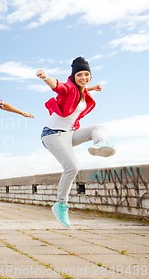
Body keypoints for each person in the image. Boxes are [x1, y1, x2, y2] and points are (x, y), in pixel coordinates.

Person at [37, 56, 115, 228]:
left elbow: (85, 90)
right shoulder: (69, 89)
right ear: (73, 77)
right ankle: (60, 204)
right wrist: (45, 77)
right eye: (79, 75)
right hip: (51, 135)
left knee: (98, 127)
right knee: (72, 168)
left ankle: (100, 144)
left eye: (87, 74)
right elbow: (59, 87)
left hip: (68, 134)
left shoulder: (83, 91)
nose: (83, 78)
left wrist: (94, 87)